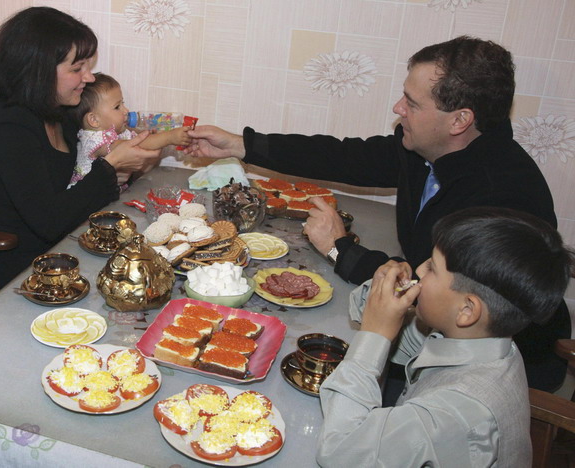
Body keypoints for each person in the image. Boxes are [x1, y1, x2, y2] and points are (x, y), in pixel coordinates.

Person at [183, 36, 571, 392]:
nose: (398, 108)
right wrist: (242, 144)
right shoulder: (429, 149)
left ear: (459, 120)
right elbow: (347, 156)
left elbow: (436, 296)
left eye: (412, 103)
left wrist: (341, 249)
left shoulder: (501, 195)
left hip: (481, 371)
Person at [316, 207, 573, 467]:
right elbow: (377, 317)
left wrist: (374, 334)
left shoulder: (456, 415)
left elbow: (339, 452)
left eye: (432, 268)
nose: (418, 269)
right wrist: (384, 288)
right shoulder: (483, 340)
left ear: (467, 310)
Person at [0, 7, 160, 288]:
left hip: (68, 242)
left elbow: (81, 179)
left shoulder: (59, 111)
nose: (89, 78)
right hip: (23, 266)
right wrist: (110, 167)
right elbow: (49, 220)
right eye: (77, 69)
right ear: (37, 73)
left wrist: (125, 166)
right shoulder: (7, 129)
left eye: (87, 66)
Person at [67, 72, 191, 189]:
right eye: (117, 107)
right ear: (94, 120)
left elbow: (141, 153)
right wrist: (169, 137)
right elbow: (137, 145)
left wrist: (154, 137)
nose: (125, 110)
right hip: (89, 203)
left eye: (123, 103)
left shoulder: (118, 133)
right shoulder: (93, 140)